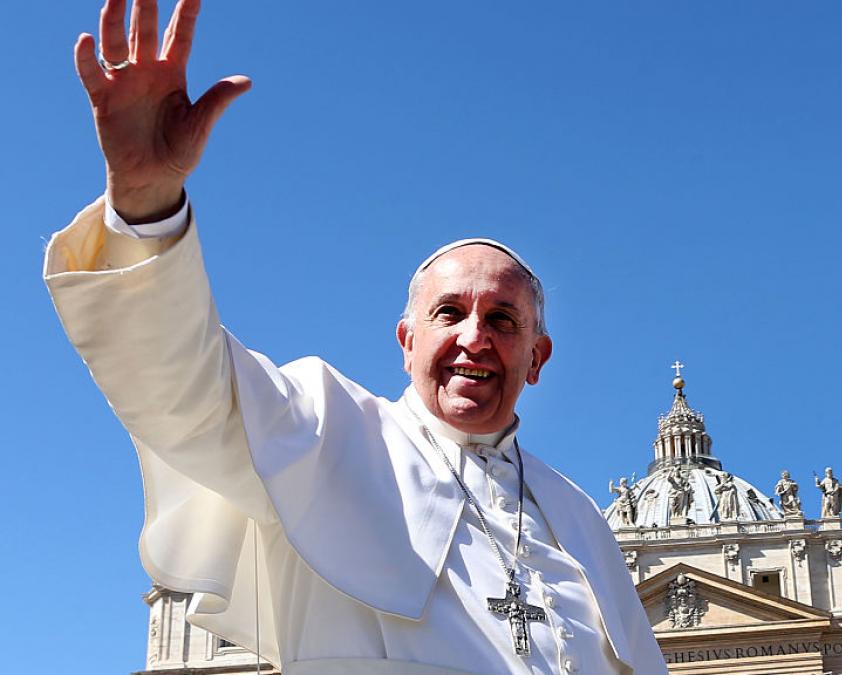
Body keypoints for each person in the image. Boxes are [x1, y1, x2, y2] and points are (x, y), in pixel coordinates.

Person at [46, 1, 666, 673]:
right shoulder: (324, 431)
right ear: (406, 340)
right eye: (449, 313)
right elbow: (182, 385)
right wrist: (145, 205)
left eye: (503, 320)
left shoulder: (583, 523)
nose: (474, 338)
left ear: (537, 358)